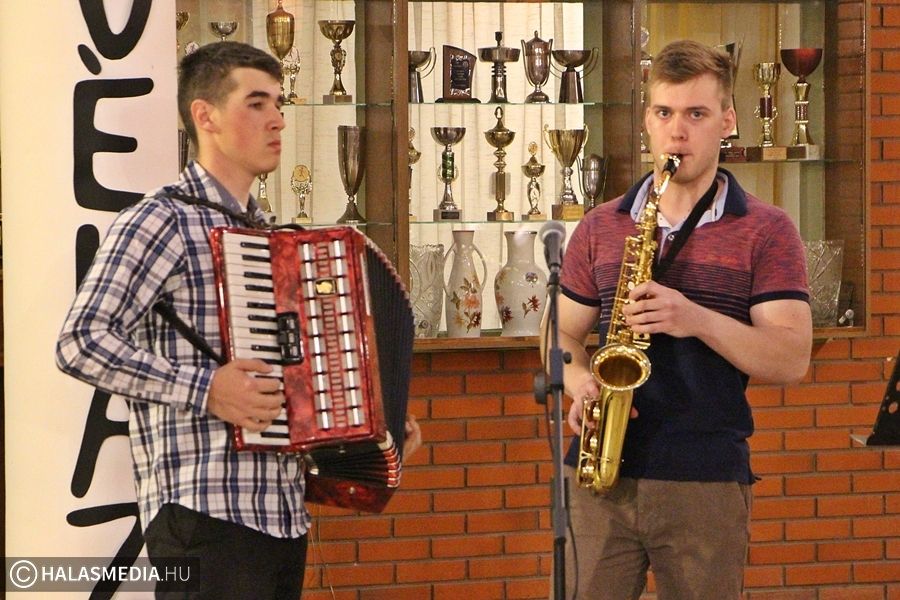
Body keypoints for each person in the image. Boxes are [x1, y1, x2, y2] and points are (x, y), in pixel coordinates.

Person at [56, 42, 420, 599]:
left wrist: (372, 424)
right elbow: (80, 341)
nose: (277, 119)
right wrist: (208, 389)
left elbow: (296, 386)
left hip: (281, 513)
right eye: (256, 103)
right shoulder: (160, 220)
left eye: (278, 103)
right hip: (205, 512)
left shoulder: (272, 237)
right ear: (205, 116)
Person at [544, 39, 812, 599]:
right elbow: (560, 332)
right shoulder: (601, 225)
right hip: (599, 474)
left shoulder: (767, 230)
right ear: (647, 120)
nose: (677, 132)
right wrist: (579, 381)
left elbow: (791, 358)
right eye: (664, 113)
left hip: (703, 477)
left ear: (727, 121)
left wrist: (695, 318)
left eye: (696, 114)